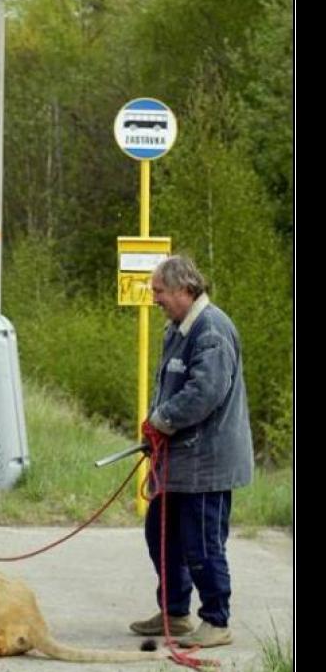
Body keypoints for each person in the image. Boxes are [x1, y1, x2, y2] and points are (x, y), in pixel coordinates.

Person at [130, 255, 254, 648]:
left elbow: (204, 393)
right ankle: (176, 613)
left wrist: (161, 420)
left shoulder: (212, 330)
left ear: (184, 289)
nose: (156, 300)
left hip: (207, 463)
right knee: (160, 534)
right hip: (178, 460)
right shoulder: (177, 328)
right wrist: (156, 426)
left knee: (201, 543)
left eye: (159, 292)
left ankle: (216, 621)